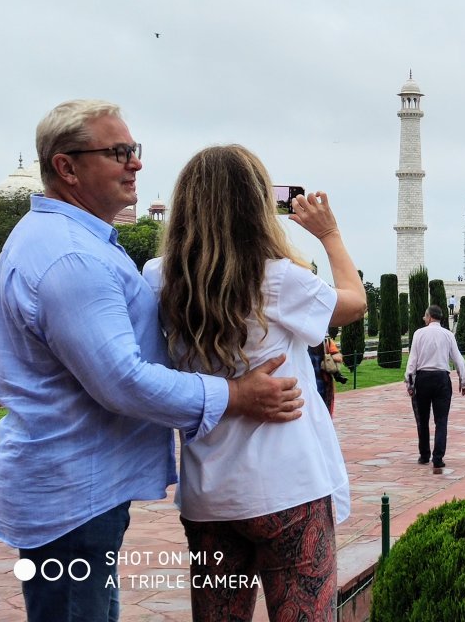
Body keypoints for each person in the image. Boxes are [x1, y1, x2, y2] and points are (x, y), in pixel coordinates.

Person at [0, 100, 302, 622]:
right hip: (74, 496)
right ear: (66, 167)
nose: (135, 163)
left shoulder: (71, 242)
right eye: (118, 153)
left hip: (76, 489)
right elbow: (122, 381)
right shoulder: (73, 258)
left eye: (133, 150)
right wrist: (236, 395)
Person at [144, 144, 367, 621]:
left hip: (208, 493)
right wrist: (329, 235)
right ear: (257, 207)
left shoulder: (160, 278)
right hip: (287, 486)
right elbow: (353, 302)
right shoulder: (277, 279)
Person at [405, 305, 465, 469]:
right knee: (441, 421)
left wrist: (409, 382)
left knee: (422, 420)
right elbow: (458, 359)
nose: (424, 319)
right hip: (441, 379)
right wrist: (463, 381)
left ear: (429, 317)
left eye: (425, 316)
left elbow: (412, 360)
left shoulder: (419, 334)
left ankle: (424, 455)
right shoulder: (448, 335)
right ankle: (438, 458)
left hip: (423, 378)